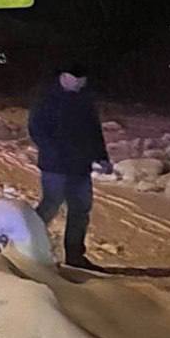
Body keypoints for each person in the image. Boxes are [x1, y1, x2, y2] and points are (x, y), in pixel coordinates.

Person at [28, 63, 112, 270]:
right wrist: (54, 152)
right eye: (77, 79)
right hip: (55, 166)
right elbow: (36, 129)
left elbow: (93, 130)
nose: (81, 83)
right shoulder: (47, 99)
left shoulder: (84, 99)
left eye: (83, 80)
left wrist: (101, 156)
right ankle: (24, 244)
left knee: (80, 210)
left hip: (80, 166)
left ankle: (75, 256)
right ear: (64, 77)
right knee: (51, 205)